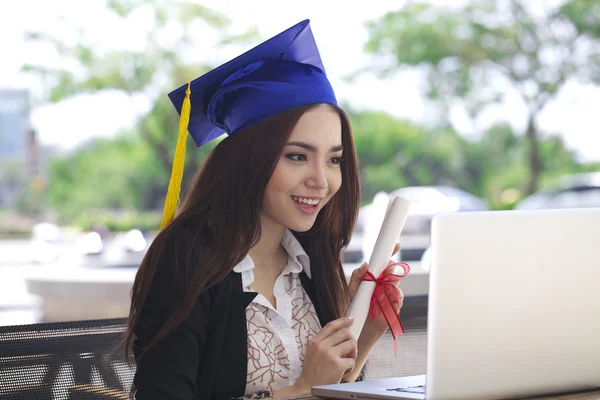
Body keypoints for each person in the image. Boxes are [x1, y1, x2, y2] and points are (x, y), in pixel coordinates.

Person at [125, 20, 404, 399]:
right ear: (248, 160)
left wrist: (364, 330)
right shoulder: (187, 260)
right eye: (297, 156)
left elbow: (328, 391)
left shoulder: (310, 259)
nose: (321, 180)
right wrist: (303, 389)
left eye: (334, 160)